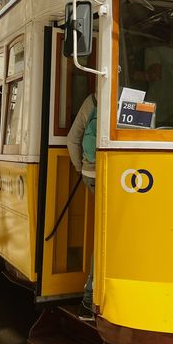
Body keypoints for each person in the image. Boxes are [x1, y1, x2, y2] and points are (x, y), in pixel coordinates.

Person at [66, 93, 97, 320]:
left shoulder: (92, 100)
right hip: (105, 174)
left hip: (91, 171)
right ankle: (89, 297)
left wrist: (80, 167)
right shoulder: (135, 93)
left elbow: (72, 139)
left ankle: (89, 297)